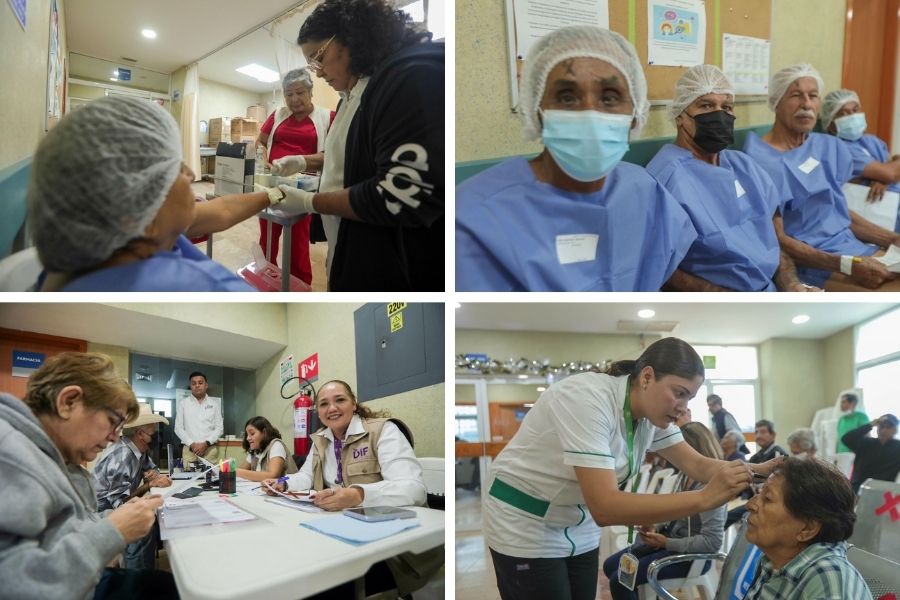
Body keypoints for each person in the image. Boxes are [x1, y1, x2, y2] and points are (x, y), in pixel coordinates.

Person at [481, 337, 780, 600]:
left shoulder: (652, 415)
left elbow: (698, 464)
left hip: (576, 518)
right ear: (647, 377)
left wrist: (759, 469)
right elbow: (606, 507)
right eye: (679, 392)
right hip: (524, 518)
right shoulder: (586, 398)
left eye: (689, 398)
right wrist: (704, 499)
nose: (682, 406)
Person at [456, 25, 697, 292]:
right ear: (537, 110)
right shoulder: (473, 221)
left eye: (610, 97)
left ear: (636, 113)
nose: (589, 114)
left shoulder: (645, 191)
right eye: (567, 97)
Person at [26, 95, 308, 292]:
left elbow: (222, 210)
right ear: (142, 216)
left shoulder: (118, 233)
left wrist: (274, 194)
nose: (191, 175)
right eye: (174, 169)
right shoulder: (203, 289)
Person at [274, 0, 444, 291]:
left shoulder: (409, 78)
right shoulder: (351, 94)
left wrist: (309, 202)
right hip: (346, 242)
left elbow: (398, 194)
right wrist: (304, 161)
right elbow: (352, 155)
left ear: (349, 37)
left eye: (318, 57)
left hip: (389, 261)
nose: (317, 72)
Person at [0, 352, 177, 599]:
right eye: (112, 421)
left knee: (164, 585)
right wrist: (113, 531)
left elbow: (72, 526)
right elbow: (15, 587)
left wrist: (117, 518)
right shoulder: (9, 451)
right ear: (68, 401)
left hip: (78, 577)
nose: (116, 436)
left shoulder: (60, 459)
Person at [263, 380, 437, 598]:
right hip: (340, 532)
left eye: (340, 400)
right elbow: (306, 476)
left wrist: (358, 495)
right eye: (324, 404)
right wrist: (284, 483)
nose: (332, 408)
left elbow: (413, 488)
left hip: (391, 547)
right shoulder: (320, 440)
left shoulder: (383, 430)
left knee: (319, 584)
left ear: (354, 403)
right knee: (290, 564)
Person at [646, 65, 812, 292]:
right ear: (680, 116)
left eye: (727, 107)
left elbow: (773, 243)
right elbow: (662, 269)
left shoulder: (743, 165)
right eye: (706, 105)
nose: (719, 114)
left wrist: (792, 285)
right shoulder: (664, 179)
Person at [742, 64, 900, 291]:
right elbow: (776, 240)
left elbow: (835, 210)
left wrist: (891, 239)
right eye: (796, 95)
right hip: (815, 262)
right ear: (776, 102)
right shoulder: (757, 162)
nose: (806, 104)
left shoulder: (827, 146)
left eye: (813, 96)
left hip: (854, 248)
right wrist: (846, 265)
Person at [602, 422, 726, 600]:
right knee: (610, 566)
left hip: (690, 558)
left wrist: (666, 542)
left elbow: (712, 542)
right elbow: (677, 516)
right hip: (671, 545)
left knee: (620, 580)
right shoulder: (684, 476)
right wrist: (656, 527)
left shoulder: (712, 487)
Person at [743, 457, 872, 599]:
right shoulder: (775, 562)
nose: (750, 505)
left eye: (767, 499)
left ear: (807, 529)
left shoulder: (826, 582)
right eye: (758, 493)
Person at [255, 69, 334, 285]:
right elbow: (261, 141)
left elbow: (334, 155)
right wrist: (264, 158)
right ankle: (265, 278)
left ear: (310, 92)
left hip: (303, 187)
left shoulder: (327, 117)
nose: (294, 99)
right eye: (289, 94)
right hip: (272, 183)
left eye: (300, 93)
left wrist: (300, 160)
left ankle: (299, 286)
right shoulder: (277, 115)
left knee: (297, 243)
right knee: (268, 236)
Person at [93, 403, 173, 569]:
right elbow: (121, 504)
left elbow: (153, 469)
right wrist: (148, 485)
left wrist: (152, 473)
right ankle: (137, 578)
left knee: (153, 515)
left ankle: (143, 566)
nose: (154, 438)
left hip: (115, 504)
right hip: (99, 511)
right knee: (144, 522)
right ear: (140, 434)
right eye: (152, 434)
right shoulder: (122, 456)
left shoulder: (139, 451)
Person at [822, 88, 900, 210]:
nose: (852, 116)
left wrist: (883, 179)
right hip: (880, 214)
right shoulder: (839, 149)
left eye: (855, 110)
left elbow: (893, 164)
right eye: (843, 113)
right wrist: (887, 175)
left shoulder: (870, 140)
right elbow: (892, 173)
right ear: (830, 123)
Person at [842, 413, 900, 493]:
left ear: (895, 430)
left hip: (883, 491)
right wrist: (870, 425)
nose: (883, 430)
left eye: (888, 427)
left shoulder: (898, 447)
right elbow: (846, 438)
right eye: (881, 426)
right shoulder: (866, 443)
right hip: (859, 488)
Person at [174, 371, 223, 465]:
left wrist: (205, 444)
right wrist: (192, 444)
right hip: (189, 450)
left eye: (200, 383)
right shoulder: (183, 404)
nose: (197, 385)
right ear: (190, 386)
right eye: (194, 383)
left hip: (209, 450)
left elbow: (219, 428)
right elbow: (178, 428)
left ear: (206, 385)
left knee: (211, 478)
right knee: (189, 478)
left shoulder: (214, 404)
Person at [235, 415, 298, 481]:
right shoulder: (255, 450)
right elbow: (240, 472)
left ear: (264, 433)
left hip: (288, 489)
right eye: (247, 435)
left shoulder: (276, 445)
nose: (248, 438)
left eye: (252, 433)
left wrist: (237, 471)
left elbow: (273, 475)